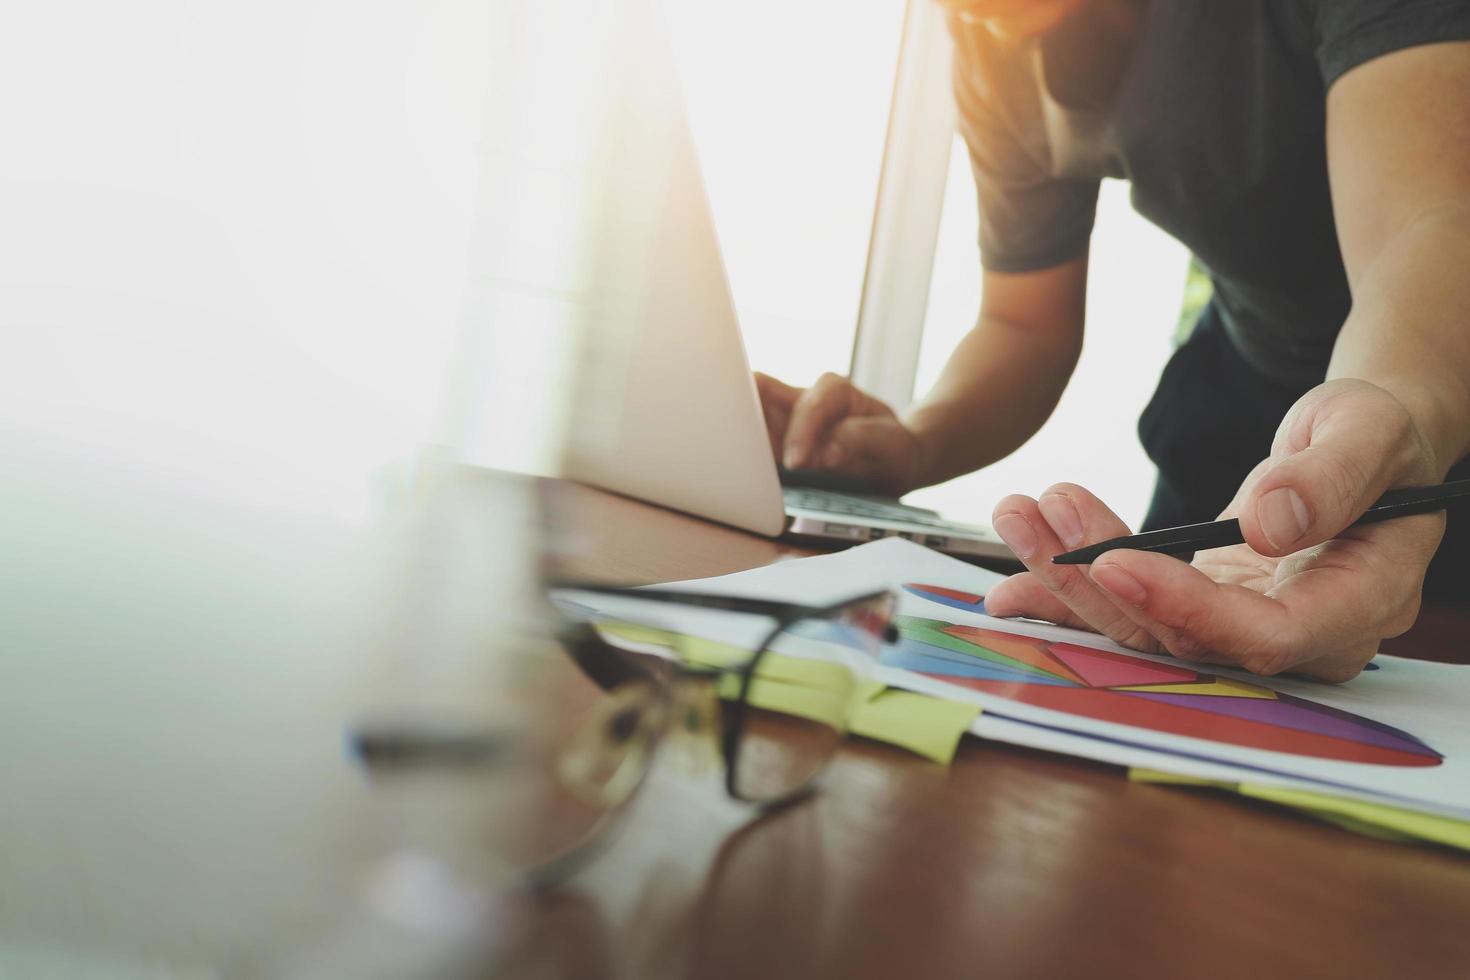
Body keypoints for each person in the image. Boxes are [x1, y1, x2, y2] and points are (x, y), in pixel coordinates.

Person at [755, 0, 1470, 682]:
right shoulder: (988, 44)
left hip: (1430, 394)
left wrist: (1391, 413)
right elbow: (1021, 326)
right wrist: (916, 442)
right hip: (1238, 414)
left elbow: (1432, 225)